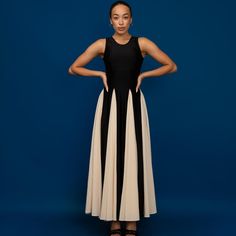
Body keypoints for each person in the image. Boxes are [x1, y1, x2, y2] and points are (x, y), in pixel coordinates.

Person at [68, 1, 177, 235]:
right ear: (110, 20)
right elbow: (74, 68)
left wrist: (145, 75)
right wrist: (99, 73)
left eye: (125, 17)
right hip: (108, 105)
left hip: (134, 105)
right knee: (111, 156)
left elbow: (171, 65)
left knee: (133, 157)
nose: (120, 22)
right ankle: (114, 220)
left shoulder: (143, 43)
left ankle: (132, 220)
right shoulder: (101, 45)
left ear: (131, 20)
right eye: (116, 17)